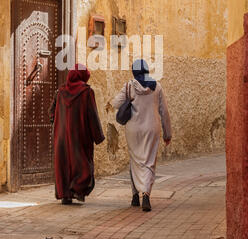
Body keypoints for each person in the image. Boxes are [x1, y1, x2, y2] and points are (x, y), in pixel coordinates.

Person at [112, 59, 172, 212]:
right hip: (152, 128)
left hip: (133, 128)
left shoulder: (129, 86)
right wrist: (168, 133)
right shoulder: (157, 86)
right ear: (146, 70)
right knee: (149, 161)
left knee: (135, 160)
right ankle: (146, 194)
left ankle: (134, 196)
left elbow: (116, 103)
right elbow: (164, 112)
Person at [49, 64, 105, 205]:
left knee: (63, 163)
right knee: (82, 163)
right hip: (80, 135)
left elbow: (51, 112)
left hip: (61, 137)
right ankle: (79, 191)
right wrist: (97, 135)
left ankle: (65, 196)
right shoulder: (86, 92)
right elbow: (92, 114)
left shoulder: (60, 92)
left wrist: (58, 125)